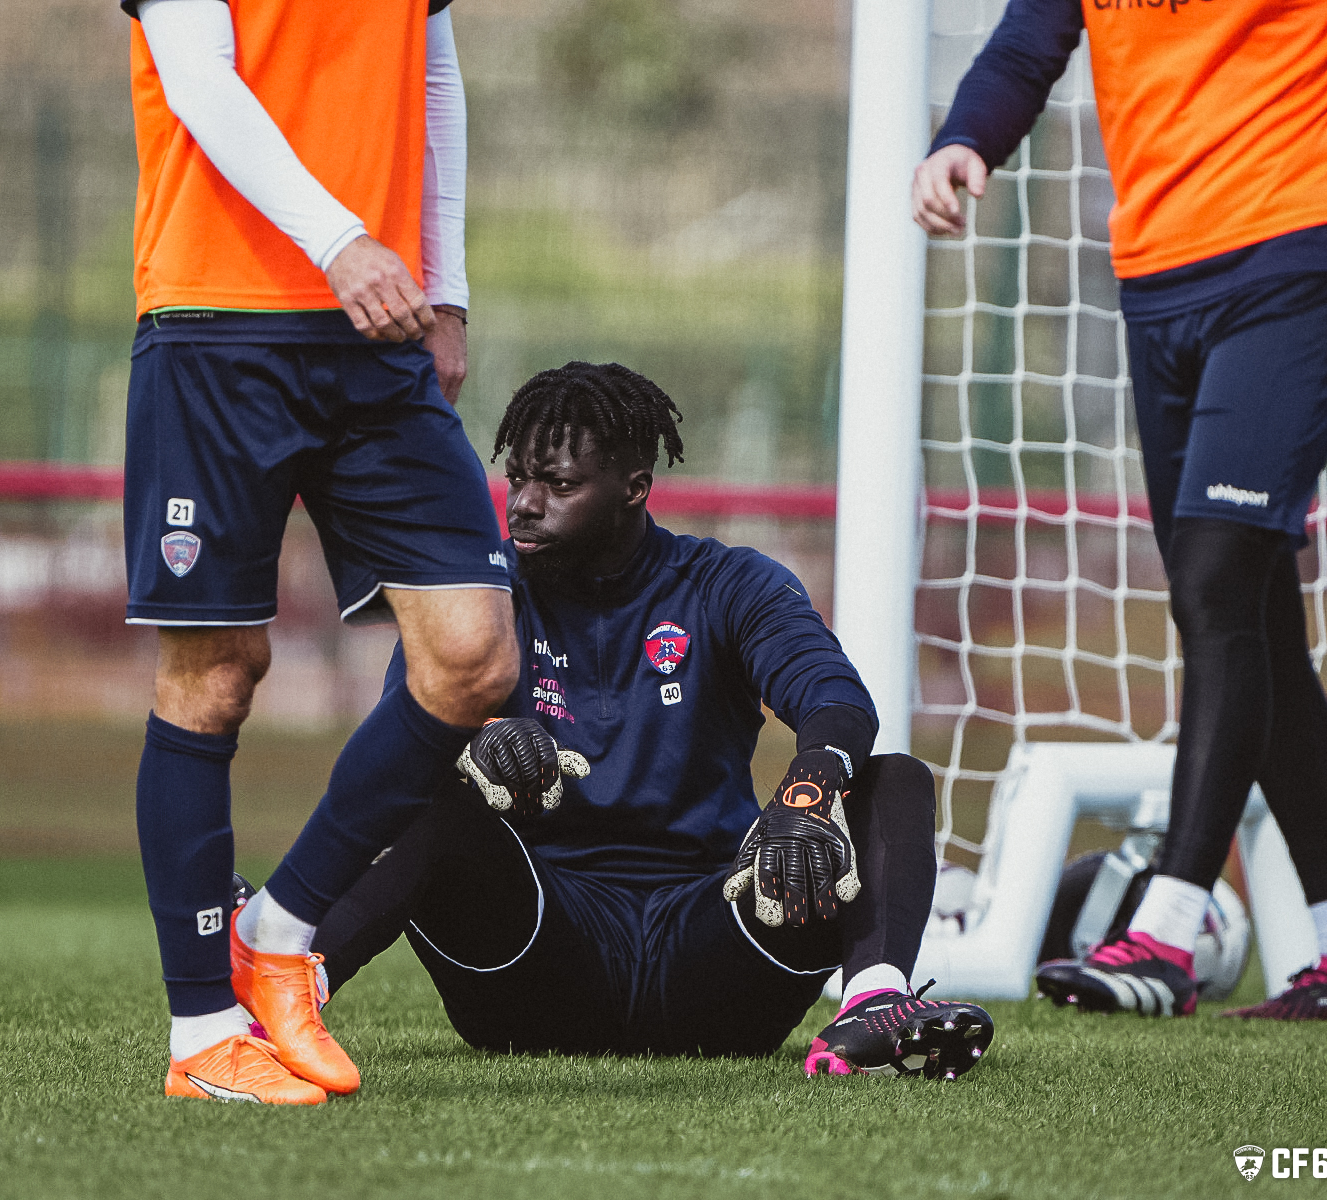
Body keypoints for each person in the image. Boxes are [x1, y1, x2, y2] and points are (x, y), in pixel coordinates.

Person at [264, 361, 996, 1077]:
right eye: (519, 478)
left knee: (890, 780)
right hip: (538, 960)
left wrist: (803, 797)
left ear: (634, 489)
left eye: (558, 484)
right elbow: (404, 740)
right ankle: (288, 988)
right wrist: (478, 743)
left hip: (715, 956)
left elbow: (837, 699)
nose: (523, 503)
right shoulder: (485, 596)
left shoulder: (726, 584)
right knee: (422, 787)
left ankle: (872, 1007)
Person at [913, 0, 1327, 1020]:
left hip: (1294, 256)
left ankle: (1166, 927)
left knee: (1213, 578)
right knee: (1245, 611)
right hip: (1154, 280)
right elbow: (1031, 38)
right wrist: (962, 140)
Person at [123, 0, 521, 1105]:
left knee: (476, 656)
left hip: (376, 329)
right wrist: (337, 237)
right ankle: (203, 1032)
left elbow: (434, 83)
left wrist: (445, 289)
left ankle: (279, 929)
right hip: (217, 323)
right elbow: (200, 80)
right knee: (216, 670)